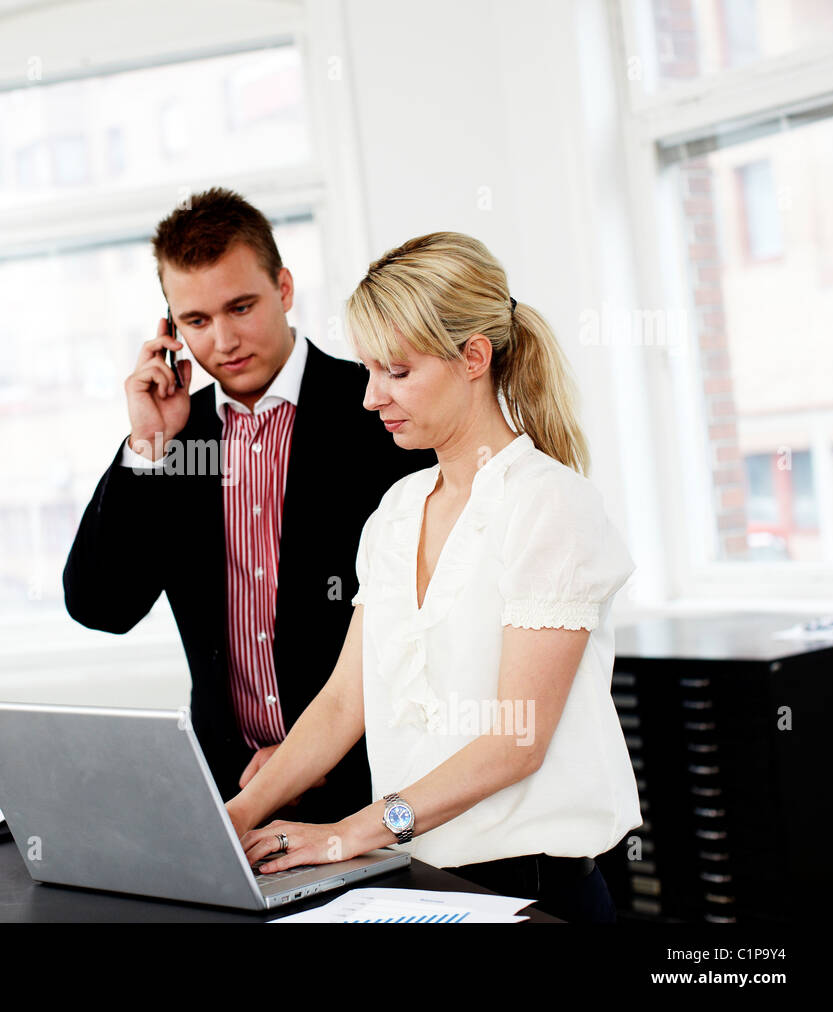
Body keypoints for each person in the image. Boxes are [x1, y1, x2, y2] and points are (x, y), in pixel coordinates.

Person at [224, 231, 641, 923]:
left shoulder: (549, 504)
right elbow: (340, 705)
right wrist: (232, 817)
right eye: (368, 371)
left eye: (396, 371)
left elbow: (517, 740)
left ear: (474, 357)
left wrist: (347, 835)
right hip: (420, 881)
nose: (370, 397)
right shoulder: (396, 512)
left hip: (533, 893)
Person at [63, 189, 435, 824]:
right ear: (170, 330)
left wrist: (306, 759)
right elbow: (102, 607)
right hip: (229, 796)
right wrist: (148, 447)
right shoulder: (176, 439)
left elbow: (430, 624)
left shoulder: (379, 409)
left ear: (285, 288)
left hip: (376, 791)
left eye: (241, 306)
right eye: (197, 321)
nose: (225, 340)